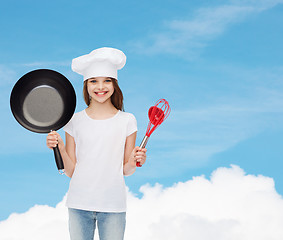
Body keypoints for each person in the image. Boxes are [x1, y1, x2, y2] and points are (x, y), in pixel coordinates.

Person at [46, 47, 147, 240]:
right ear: (86, 84)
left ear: (114, 84)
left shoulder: (127, 120)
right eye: (94, 81)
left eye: (106, 80)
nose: (100, 87)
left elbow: (126, 169)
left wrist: (136, 160)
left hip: (113, 205)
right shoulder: (73, 121)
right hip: (79, 203)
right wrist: (58, 145)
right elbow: (71, 171)